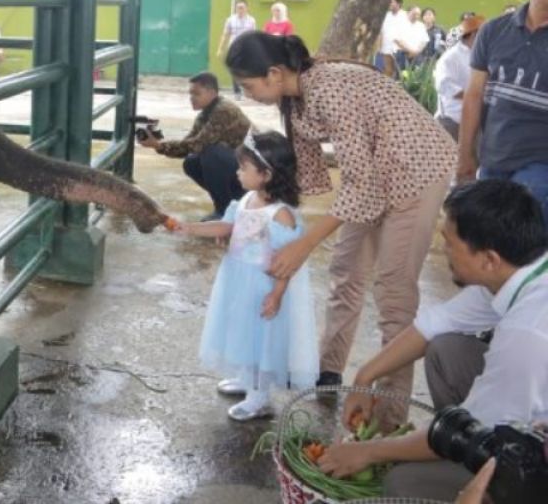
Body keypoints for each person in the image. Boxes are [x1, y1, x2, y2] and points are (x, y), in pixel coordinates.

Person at [225, 31, 455, 423]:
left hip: (417, 172)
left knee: (393, 289)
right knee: (346, 270)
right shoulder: (295, 100)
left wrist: (304, 245)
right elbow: (315, 180)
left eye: (248, 86)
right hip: (376, 172)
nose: (247, 95)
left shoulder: (328, 89)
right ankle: (328, 374)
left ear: (275, 73)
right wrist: (260, 222)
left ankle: (388, 417)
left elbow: (358, 185)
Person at [315, 179, 548, 502]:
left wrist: (369, 451)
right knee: (446, 349)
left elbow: (480, 420)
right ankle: (459, 459)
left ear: (489, 259)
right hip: (527, 408)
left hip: (534, 444)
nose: (443, 251)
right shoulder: (521, 272)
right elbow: (434, 325)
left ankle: (488, 483)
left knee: (404, 483)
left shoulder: (528, 333)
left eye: (451, 243)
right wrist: (364, 378)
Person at [172, 131, 318, 421]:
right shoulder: (248, 198)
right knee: (240, 330)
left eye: (243, 168)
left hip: (262, 286)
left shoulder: (281, 214)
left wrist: (276, 294)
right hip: (238, 279)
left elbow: (285, 262)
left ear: (265, 174)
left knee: (260, 338)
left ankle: (259, 397)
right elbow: (226, 227)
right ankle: (245, 378)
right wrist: (187, 227)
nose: (237, 172)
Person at [457, 0, 548, 222]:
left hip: (540, 165)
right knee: (490, 240)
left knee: (523, 239)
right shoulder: (493, 31)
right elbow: (473, 96)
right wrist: (465, 155)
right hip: (493, 160)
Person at [138, 72, 251, 220]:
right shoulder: (205, 113)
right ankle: (235, 201)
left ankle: (223, 210)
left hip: (252, 168)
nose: (191, 98)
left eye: (196, 93)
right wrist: (158, 143)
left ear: (212, 92)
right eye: (190, 93)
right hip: (240, 166)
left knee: (211, 154)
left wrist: (159, 145)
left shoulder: (223, 110)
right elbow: (188, 144)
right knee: (191, 162)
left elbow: (197, 144)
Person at [433, 15, 485, 141]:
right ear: (474, 34)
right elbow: (444, 85)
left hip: (475, 119)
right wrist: (473, 96)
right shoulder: (451, 57)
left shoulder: (481, 55)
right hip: (452, 121)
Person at [216, 0, 256, 99]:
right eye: (238, 7)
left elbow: (254, 35)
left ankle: (246, 90)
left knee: (247, 70)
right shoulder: (230, 20)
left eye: (242, 7)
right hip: (234, 48)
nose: (240, 10)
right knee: (234, 69)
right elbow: (225, 34)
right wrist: (220, 49)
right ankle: (237, 92)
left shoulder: (251, 20)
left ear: (247, 8)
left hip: (246, 48)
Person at [377, 0, 407, 78]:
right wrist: (379, 47)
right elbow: (381, 32)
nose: (389, 4)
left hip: (399, 49)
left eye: (392, 2)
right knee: (387, 70)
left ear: (399, 4)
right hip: (386, 48)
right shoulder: (386, 15)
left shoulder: (405, 16)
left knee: (399, 71)